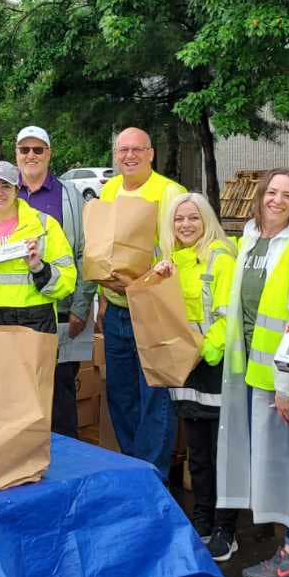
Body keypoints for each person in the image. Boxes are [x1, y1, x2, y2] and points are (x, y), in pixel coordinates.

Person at [219, 169, 289, 574]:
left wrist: (287, 385)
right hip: (252, 372)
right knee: (272, 462)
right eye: (271, 192)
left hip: (283, 379)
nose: (277, 200)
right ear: (260, 195)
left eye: (287, 194)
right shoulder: (250, 238)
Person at [96, 128, 187, 478]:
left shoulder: (169, 193)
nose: (129, 156)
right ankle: (133, 466)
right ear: (116, 155)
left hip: (152, 308)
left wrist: (142, 282)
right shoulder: (109, 189)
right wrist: (104, 299)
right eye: (122, 150)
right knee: (120, 394)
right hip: (117, 306)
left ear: (151, 153)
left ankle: (153, 475)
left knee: (154, 396)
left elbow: (179, 255)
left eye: (137, 149)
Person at [152, 192, 237, 550]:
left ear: (207, 221)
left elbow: (227, 313)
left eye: (193, 218)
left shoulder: (221, 258)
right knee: (198, 454)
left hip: (213, 365)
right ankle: (202, 518)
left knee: (223, 455)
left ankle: (225, 529)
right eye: (179, 219)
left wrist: (207, 349)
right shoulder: (170, 261)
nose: (186, 225)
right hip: (185, 368)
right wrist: (156, 280)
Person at [15, 125, 95, 437]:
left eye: (38, 150)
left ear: (49, 154)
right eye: (25, 150)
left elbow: (87, 254)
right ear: (16, 154)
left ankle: (64, 467)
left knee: (60, 396)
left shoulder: (71, 198)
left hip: (60, 312)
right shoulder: (4, 192)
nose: (31, 156)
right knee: (19, 397)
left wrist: (80, 305)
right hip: (13, 314)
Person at [0, 161, 77, 333]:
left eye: (6, 186)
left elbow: (66, 285)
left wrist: (39, 268)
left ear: (17, 189)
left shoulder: (45, 226)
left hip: (36, 325)